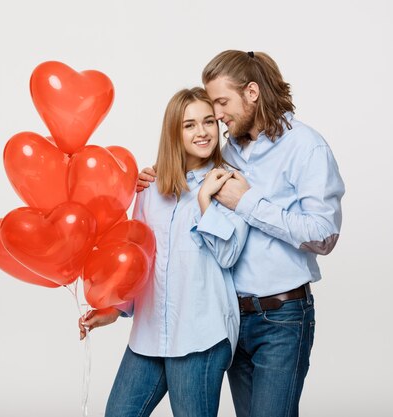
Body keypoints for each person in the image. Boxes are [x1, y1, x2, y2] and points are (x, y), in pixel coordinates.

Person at [137, 50, 345, 417]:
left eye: (221, 102)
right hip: (230, 318)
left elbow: (324, 235)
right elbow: (192, 163)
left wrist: (248, 202)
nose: (216, 115)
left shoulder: (306, 147)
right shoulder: (228, 148)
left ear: (251, 92)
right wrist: (158, 173)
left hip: (282, 317)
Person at [79, 87, 250, 417]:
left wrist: (204, 203)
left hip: (200, 338)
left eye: (209, 122)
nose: (202, 132)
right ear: (174, 131)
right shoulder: (149, 191)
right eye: (189, 125)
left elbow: (229, 255)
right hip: (149, 335)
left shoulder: (228, 184)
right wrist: (115, 308)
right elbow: (140, 262)